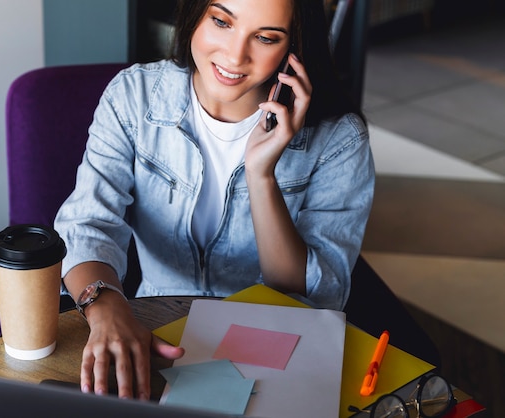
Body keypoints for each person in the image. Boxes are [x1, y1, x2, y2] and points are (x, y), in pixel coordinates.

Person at [54, 0, 374, 400]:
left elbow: (308, 297)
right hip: (153, 329)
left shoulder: (339, 140)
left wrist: (261, 175)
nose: (235, 55)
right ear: (195, 15)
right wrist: (105, 307)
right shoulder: (134, 97)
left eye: (265, 37)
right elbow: (87, 225)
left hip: (269, 343)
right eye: (221, 21)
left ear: (294, 48)